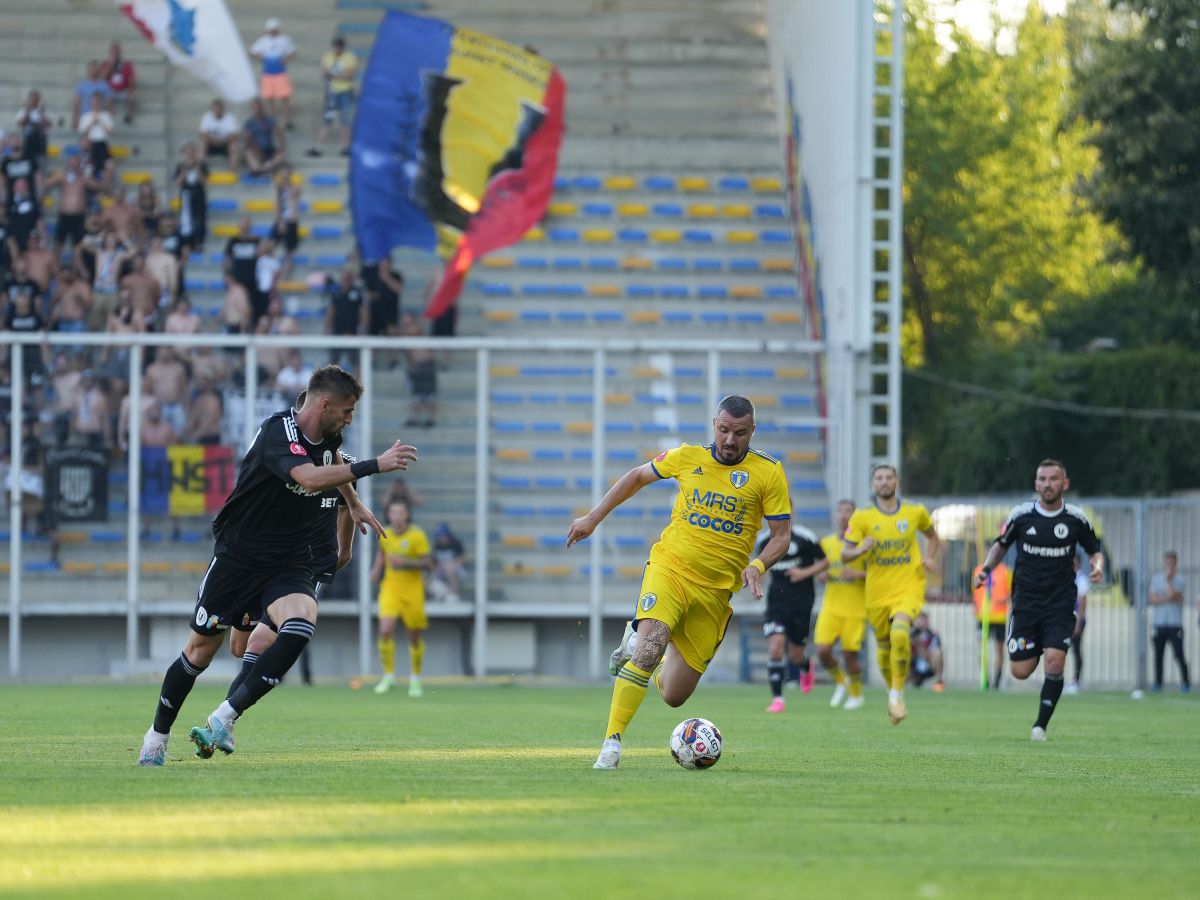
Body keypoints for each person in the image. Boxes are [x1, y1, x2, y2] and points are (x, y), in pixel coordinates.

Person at [136, 365, 420, 766]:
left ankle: (224, 717)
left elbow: (332, 456)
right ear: (323, 405)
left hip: (288, 561)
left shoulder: (329, 434)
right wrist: (374, 464)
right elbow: (306, 477)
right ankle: (156, 737)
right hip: (239, 556)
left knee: (302, 619)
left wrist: (353, 504)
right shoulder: (277, 433)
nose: (350, 418)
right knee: (201, 651)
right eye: (347, 410)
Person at [567, 395, 792, 770]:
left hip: (715, 594)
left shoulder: (768, 472)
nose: (730, 440)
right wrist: (593, 517)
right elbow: (638, 476)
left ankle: (635, 641)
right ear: (713, 425)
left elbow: (781, 536)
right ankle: (612, 743)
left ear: (752, 430)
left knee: (673, 695)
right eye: (723, 430)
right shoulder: (689, 457)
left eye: (739, 432)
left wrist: (758, 565)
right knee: (652, 647)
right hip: (670, 568)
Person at [973, 459, 1103, 741]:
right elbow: (1001, 545)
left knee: (1055, 663)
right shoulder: (1021, 516)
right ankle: (1043, 645)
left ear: (1064, 483)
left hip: (1060, 603)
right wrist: (985, 569)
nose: (1047, 484)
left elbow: (1095, 550)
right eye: (1042, 479)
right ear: (1036, 484)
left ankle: (1040, 726)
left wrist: (1098, 565)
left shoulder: (1076, 518)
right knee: (1020, 671)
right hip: (1025, 603)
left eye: (1053, 479)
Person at [842, 464, 940, 726]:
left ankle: (897, 694)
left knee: (900, 631)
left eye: (888, 477)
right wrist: (860, 548)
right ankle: (892, 693)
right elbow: (844, 554)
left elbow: (932, 536)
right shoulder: (861, 518)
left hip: (909, 585)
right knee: (884, 646)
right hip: (877, 592)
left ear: (897, 481)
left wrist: (929, 558)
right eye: (879, 478)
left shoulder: (915, 512)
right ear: (872, 484)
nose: (884, 482)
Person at [757, 513, 828, 713]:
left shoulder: (805, 536)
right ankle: (778, 699)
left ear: (791, 514)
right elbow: (760, 565)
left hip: (802, 602)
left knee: (796, 654)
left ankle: (806, 665)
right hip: (776, 603)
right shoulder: (764, 540)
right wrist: (757, 584)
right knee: (776, 647)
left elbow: (825, 561)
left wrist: (804, 573)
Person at [371, 499, 432, 697]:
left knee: (414, 637)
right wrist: (376, 569)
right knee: (385, 629)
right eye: (393, 513)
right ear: (389, 515)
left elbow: (428, 564)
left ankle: (415, 679)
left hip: (413, 591)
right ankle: (388, 676)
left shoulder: (417, 535)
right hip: (390, 588)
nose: (396, 517)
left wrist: (404, 562)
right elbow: (382, 552)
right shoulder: (384, 533)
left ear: (406, 515)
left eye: (400, 513)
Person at [814, 499, 867, 710]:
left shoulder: (863, 544)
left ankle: (856, 695)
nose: (844, 515)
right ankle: (841, 681)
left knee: (849, 655)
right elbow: (818, 568)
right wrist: (821, 574)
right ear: (835, 516)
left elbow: (878, 574)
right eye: (840, 511)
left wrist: (859, 573)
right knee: (822, 651)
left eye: (849, 512)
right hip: (831, 606)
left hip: (855, 608)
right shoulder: (826, 543)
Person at [309, 35, 358, 157]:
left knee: (345, 120)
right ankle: (318, 147)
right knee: (327, 119)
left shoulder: (350, 57)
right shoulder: (328, 56)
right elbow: (324, 72)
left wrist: (333, 75)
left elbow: (350, 74)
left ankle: (345, 147)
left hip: (345, 92)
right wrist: (340, 75)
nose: (337, 49)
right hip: (331, 92)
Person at [1149, 551, 1191, 693]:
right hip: (1159, 623)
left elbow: (1175, 595)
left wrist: (1167, 582)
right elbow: (1153, 599)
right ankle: (1158, 684)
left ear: (1175, 564)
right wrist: (1168, 598)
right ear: (1164, 563)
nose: (1169, 565)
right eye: (1167, 562)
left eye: (1172, 563)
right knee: (1158, 656)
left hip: (1175, 624)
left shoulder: (1179, 580)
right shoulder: (1155, 579)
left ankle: (1185, 683)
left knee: (1179, 655)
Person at [250, 18, 297, 131]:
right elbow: (252, 51)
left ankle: (288, 120)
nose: (273, 31)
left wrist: (285, 60)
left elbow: (293, 52)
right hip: (268, 74)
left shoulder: (284, 40)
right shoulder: (263, 40)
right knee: (270, 99)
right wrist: (261, 58)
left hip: (280, 73)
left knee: (285, 98)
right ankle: (273, 120)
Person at [973, 558, 1012, 691]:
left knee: (999, 650)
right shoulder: (978, 570)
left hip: (999, 617)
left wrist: (1004, 600)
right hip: (982, 616)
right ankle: (985, 678)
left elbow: (1012, 591)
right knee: (981, 649)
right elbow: (974, 590)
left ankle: (997, 680)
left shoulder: (1005, 571)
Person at [1065, 555, 1089, 694]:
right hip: (1065, 619)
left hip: (1075, 620)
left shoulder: (1081, 580)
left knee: (1076, 650)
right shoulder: (1067, 578)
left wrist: (1078, 622)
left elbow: (1082, 603)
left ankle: (1076, 680)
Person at [100, 40, 137, 124]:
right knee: (106, 95)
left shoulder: (126, 64)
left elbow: (132, 78)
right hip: (110, 91)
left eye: (117, 51)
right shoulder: (105, 64)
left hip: (123, 91)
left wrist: (131, 90)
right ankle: (108, 118)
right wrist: (111, 64)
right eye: (113, 51)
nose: (115, 53)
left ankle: (129, 115)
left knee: (133, 96)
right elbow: (102, 77)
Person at [198, 98, 240, 170]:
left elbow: (234, 135)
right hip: (211, 145)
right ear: (212, 109)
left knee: (234, 146)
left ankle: (232, 171)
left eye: (220, 109)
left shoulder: (230, 118)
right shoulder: (207, 116)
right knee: (202, 143)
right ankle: (201, 170)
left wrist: (220, 140)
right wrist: (214, 139)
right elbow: (202, 133)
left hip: (225, 145)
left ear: (223, 109)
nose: (218, 111)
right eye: (216, 109)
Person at [431, 521, 466, 602]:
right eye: (440, 536)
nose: (442, 538)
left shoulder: (455, 543)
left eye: (444, 535)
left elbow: (464, 559)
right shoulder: (437, 545)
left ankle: (454, 594)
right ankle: (441, 594)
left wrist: (453, 563)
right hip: (442, 571)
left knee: (449, 567)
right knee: (431, 574)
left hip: (458, 570)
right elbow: (433, 561)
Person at [908, 612, 944, 689]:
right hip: (912, 666)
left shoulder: (933, 635)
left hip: (928, 665)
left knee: (938, 653)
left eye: (924, 619)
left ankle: (938, 682)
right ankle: (898, 685)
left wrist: (920, 645)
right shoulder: (909, 634)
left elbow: (933, 653)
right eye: (919, 619)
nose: (921, 622)